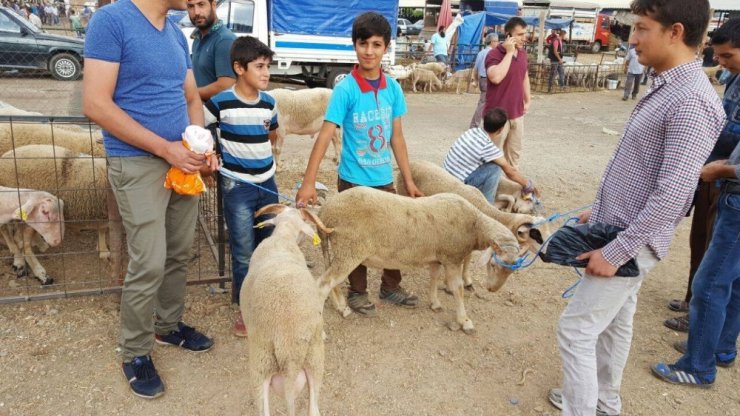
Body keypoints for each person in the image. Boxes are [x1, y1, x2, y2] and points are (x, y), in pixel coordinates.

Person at [547, 0, 725, 414]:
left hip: (630, 241)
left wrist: (616, 251)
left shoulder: (691, 100)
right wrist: (603, 208)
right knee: (615, 325)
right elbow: (644, 169)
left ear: (675, 32)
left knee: (575, 331)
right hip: (621, 226)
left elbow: (674, 192)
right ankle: (605, 403)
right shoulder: (668, 84)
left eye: (642, 28)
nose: (633, 38)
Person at [83, 0, 217, 399]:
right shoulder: (111, 21)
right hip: (138, 162)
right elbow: (96, 103)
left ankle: (167, 326)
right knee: (150, 258)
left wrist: (200, 143)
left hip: (181, 161)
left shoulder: (175, 32)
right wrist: (166, 149)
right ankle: (135, 351)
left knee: (178, 250)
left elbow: (191, 98)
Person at [296, 11, 423, 316]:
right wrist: (308, 182)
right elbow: (325, 135)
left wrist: (408, 181)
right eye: (363, 43)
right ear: (354, 45)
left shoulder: (393, 88)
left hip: (383, 179)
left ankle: (391, 286)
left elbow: (397, 138)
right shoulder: (346, 89)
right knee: (354, 238)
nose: (369, 51)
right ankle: (357, 291)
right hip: (353, 179)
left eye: (376, 44)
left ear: (386, 48)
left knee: (395, 234)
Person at [652, 16, 740, 388]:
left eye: (728, 56)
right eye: (717, 56)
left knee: (710, 282)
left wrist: (721, 171)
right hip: (731, 192)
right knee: (733, 281)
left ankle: (698, 365)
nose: (720, 63)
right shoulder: (734, 78)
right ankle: (719, 347)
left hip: (735, 195)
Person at [203, 36, 279, 337]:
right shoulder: (220, 103)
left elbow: (271, 136)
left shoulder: (269, 103)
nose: (266, 73)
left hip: (268, 184)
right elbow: (204, 130)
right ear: (239, 68)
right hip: (238, 188)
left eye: (268, 66)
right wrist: (212, 153)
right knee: (244, 250)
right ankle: (247, 310)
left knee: (268, 245)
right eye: (259, 66)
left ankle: (266, 302)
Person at [445, 107, 538, 203]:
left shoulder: (471, 131)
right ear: (501, 129)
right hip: (458, 184)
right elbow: (510, 172)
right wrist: (527, 184)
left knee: (489, 164)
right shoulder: (487, 146)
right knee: (495, 169)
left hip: (446, 177)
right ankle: (487, 205)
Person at [484, 16, 531, 169]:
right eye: (520, 34)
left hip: (517, 114)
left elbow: (524, 75)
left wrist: (527, 99)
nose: (525, 38)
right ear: (509, 36)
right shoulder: (494, 54)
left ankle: (509, 187)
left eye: (525, 33)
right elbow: (495, 77)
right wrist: (509, 53)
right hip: (497, 115)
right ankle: (489, 189)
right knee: (492, 157)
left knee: (514, 155)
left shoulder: (523, 54)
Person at [187, 0, 236, 101]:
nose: (196, 12)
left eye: (201, 4)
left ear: (213, 5)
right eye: (191, 6)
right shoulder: (197, 38)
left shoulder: (224, 40)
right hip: (199, 111)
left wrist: (188, 94)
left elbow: (225, 86)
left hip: (217, 114)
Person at [469, 32, 499, 128]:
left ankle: (480, 123)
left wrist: (475, 80)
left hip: (482, 79)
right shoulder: (494, 53)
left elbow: (476, 68)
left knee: (484, 102)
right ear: (492, 42)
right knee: (486, 102)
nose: (498, 43)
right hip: (489, 79)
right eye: (496, 41)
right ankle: (475, 124)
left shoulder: (481, 53)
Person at [547, 29, 565, 93]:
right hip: (555, 60)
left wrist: (560, 59)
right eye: (565, 35)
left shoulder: (560, 41)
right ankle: (550, 88)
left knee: (561, 72)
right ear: (563, 35)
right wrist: (560, 59)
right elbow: (555, 51)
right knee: (553, 74)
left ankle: (562, 86)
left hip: (558, 59)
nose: (565, 37)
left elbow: (558, 51)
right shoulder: (556, 41)